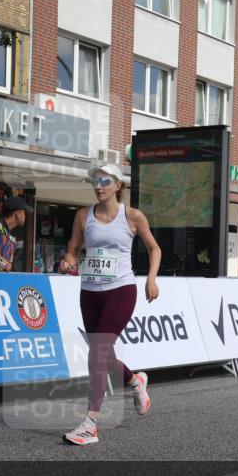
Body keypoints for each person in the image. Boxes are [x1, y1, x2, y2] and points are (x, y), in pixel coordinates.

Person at [58, 163, 161, 446]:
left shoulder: (132, 216)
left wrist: (151, 279)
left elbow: (155, 248)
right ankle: (134, 381)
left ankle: (90, 423)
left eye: (105, 181)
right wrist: (68, 261)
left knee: (99, 352)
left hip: (121, 290)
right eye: (95, 182)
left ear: (118, 185)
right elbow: (73, 250)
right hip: (90, 291)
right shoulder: (82, 216)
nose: (99, 186)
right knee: (101, 353)